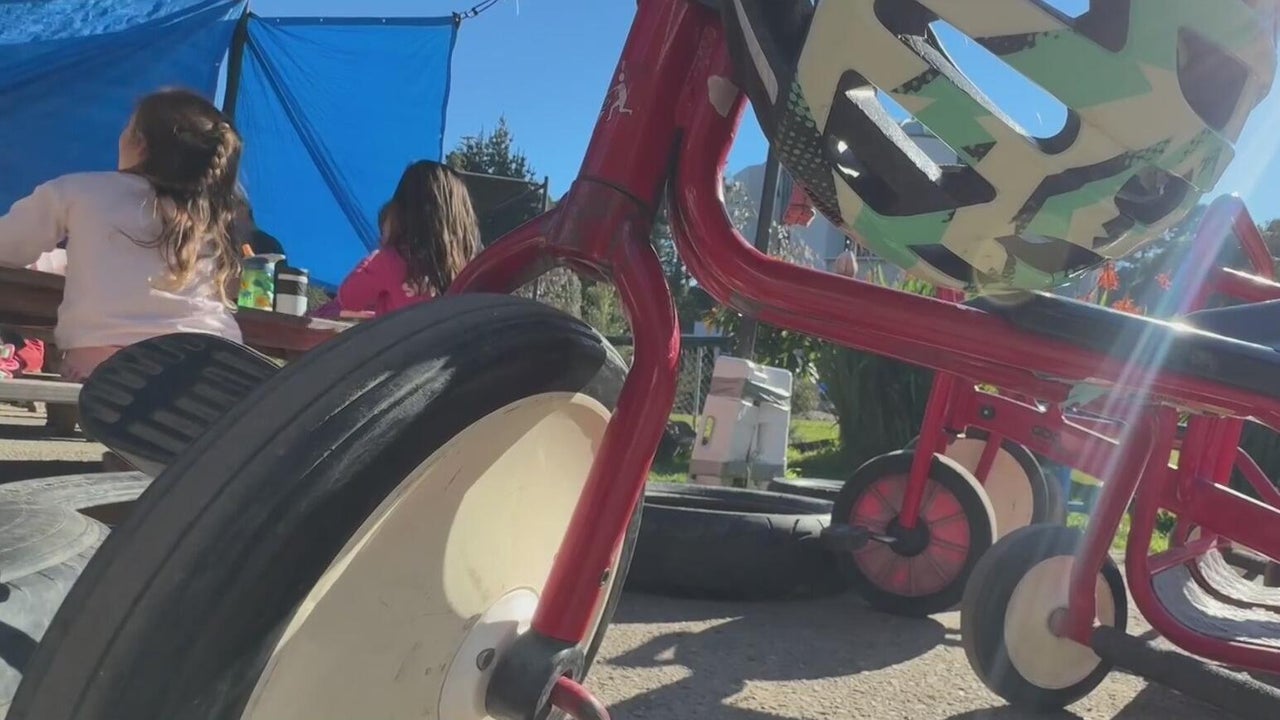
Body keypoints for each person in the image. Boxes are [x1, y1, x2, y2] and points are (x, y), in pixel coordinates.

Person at [0, 88, 243, 381]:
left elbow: (7, 245)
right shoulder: (213, 217)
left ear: (138, 143)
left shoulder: (78, 191)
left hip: (107, 377)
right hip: (216, 372)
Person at [334, 160, 481, 317]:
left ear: (400, 212)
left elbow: (348, 298)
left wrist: (377, 255)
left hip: (398, 334)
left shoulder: (390, 261)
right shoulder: (469, 268)